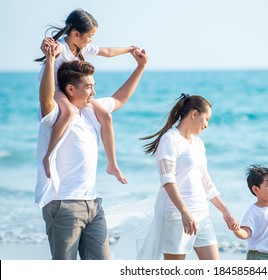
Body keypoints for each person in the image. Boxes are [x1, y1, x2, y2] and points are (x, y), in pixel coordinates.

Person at [35, 38, 147, 260]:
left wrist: (140, 67)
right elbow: (46, 99)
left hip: (93, 204)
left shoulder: (91, 111)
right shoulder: (56, 114)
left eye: (94, 86)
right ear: (70, 89)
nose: (93, 92)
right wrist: (50, 61)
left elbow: (119, 99)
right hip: (63, 203)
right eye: (88, 87)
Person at [36, 9, 134, 184]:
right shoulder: (61, 46)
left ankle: (112, 165)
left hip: (74, 90)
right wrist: (49, 48)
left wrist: (130, 49)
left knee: (105, 115)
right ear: (75, 34)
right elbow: (52, 48)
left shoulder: (81, 47)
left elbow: (108, 51)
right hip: (58, 89)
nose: (90, 41)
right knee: (68, 113)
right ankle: (48, 157)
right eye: (89, 36)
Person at [138, 94, 239, 260]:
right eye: (206, 119)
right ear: (194, 114)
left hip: (201, 213)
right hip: (176, 216)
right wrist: (184, 212)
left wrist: (225, 210)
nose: (207, 125)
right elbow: (168, 181)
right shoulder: (170, 140)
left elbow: (206, 181)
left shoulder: (198, 143)